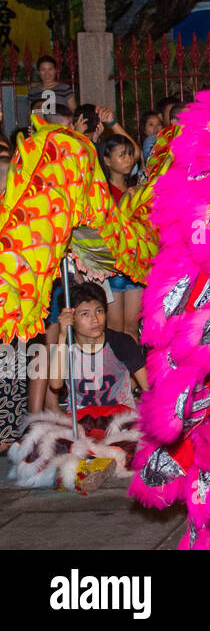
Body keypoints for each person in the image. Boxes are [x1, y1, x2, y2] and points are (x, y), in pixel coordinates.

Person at [11, 282, 148, 494]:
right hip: (81, 421)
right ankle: (86, 464)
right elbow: (55, 384)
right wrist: (62, 337)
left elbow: (148, 386)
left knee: (140, 437)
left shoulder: (120, 342)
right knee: (36, 433)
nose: (95, 319)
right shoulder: (66, 346)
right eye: (85, 314)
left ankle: (91, 464)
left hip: (118, 419)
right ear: (71, 318)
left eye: (99, 311)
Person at [96, 133, 146, 337]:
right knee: (115, 331)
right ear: (107, 160)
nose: (127, 159)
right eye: (121, 155)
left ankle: (135, 370)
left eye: (129, 155)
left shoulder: (137, 187)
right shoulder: (102, 191)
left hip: (136, 266)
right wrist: (123, 201)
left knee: (132, 329)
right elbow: (103, 226)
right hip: (113, 268)